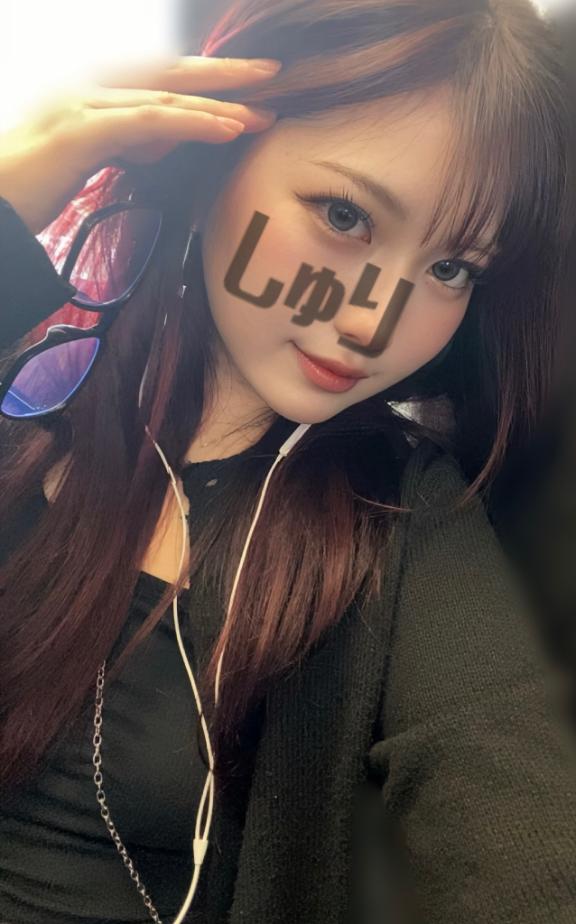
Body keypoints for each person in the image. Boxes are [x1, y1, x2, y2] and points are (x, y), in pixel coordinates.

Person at [0, 1, 575, 922]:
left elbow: (514, 806)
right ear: (208, 167)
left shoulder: (401, 515)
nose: (373, 322)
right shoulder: (27, 377)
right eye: (345, 214)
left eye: (453, 269)